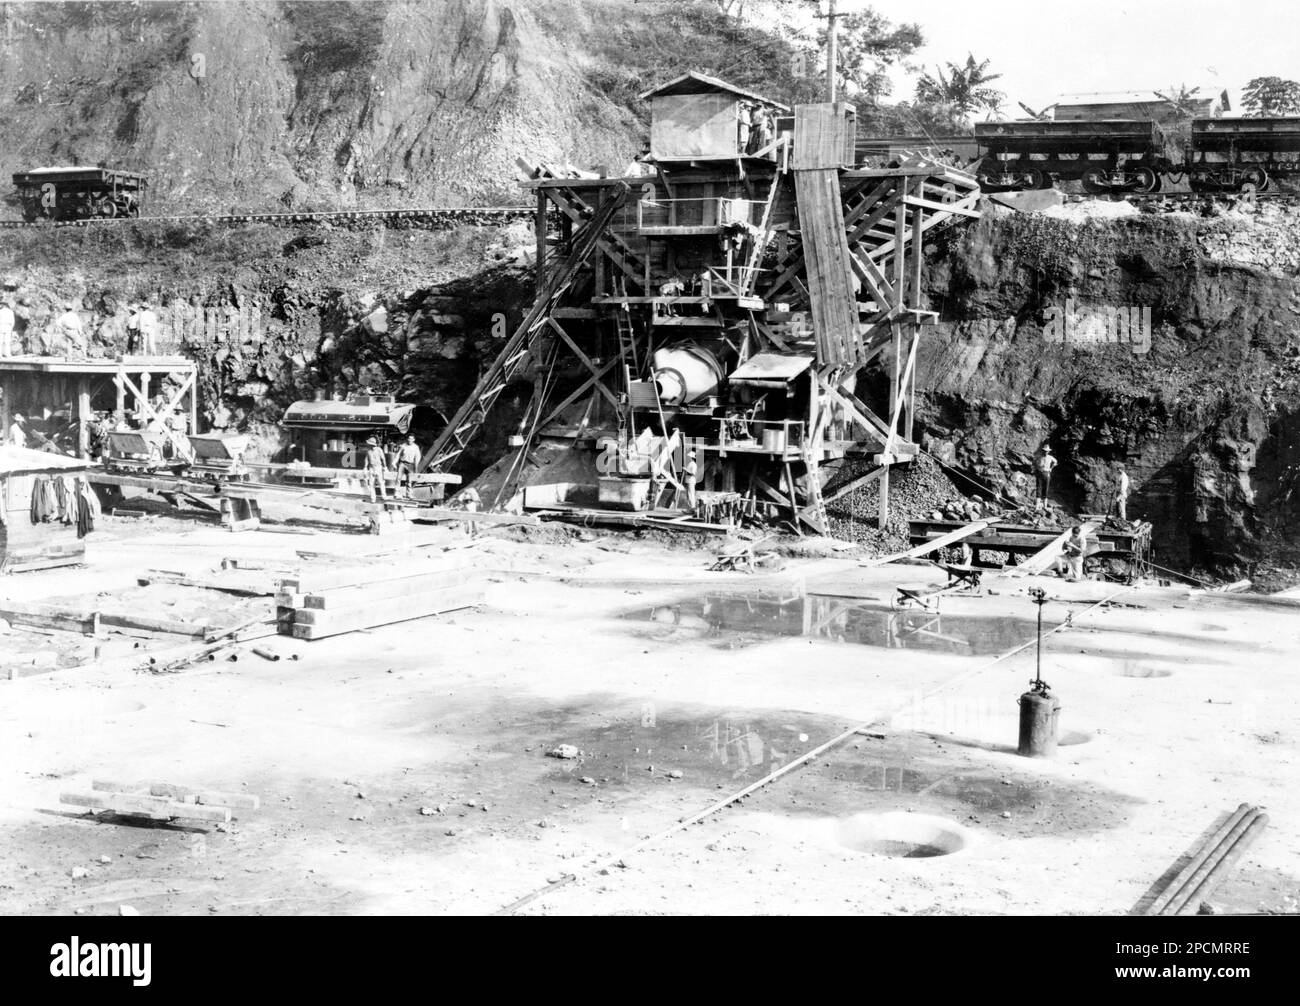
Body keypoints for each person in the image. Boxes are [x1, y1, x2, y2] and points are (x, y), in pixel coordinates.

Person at [362, 436, 389, 502]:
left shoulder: (379, 450)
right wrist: (365, 467)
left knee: (381, 482)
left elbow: (383, 459)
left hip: (378, 467)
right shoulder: (368, 451)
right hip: (371, 468)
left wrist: (385, 467)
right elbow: (366, 460)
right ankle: (373, 498)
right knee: (371, 483)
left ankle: (384, 496)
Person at [1034, 444, 1057, 511]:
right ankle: (1037, 506)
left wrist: (1051, 468)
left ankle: (1045, 506)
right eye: (1044, 451)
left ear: (1048, 451)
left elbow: (1055, 462)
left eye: (1047, 451)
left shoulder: (1050, 457)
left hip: (1047, 473)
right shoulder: (1039, 456)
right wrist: (1036, 469)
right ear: (1042, 451)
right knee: (1038, 488)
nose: (1045, 452)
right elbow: (1034, 462)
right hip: (1040, 473)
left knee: (1045, 489)